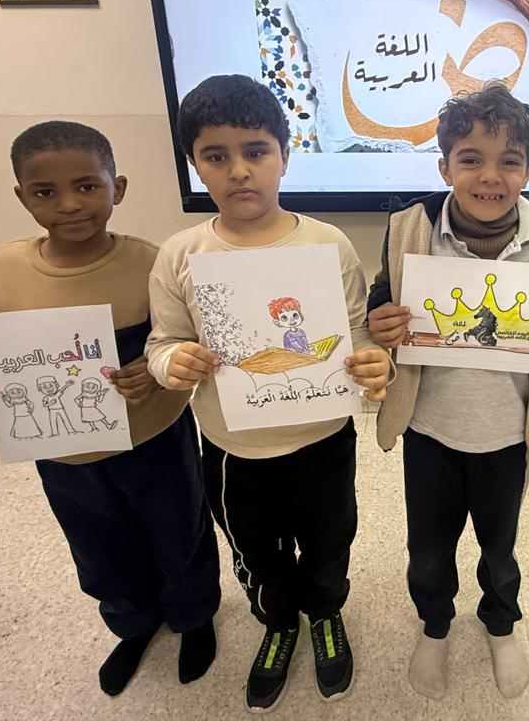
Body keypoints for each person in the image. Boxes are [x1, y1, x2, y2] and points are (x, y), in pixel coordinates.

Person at [0, 121, 220, 697]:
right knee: (96, 543)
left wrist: (155, 372)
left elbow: (183, 343)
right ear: (22, 197)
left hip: (153, 438)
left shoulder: (152, 264)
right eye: (45, 192)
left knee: (179, 529)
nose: (68, 204)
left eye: (87, 186)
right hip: (62, 452)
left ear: (118, 188)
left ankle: (194, 617)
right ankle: (132, 623)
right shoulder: (4, 272)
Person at [145, 74, 391, 713]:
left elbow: (359, 334)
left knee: (331, 539)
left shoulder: (328, 244)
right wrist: (174, 362)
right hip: (234, 449)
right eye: (215, 156)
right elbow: (161, 344)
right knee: (255, 551)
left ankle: (326, 613)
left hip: (323, 439)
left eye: (255, 151)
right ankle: (279, 622)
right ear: (194, 163)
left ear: (285, 154)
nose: (238, 171)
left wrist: (373, 362)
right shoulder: (181, 254)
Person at [366, 83, 529, 701]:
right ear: (444, 166)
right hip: (429, 428)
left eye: (509, 161)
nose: (490, 176)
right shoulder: (408, 229)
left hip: (508, 433)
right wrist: (379, 321)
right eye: (470, 159)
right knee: (428, 549)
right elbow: (381, 299)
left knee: (500, 548)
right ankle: (435, 624)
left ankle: (501, 622)